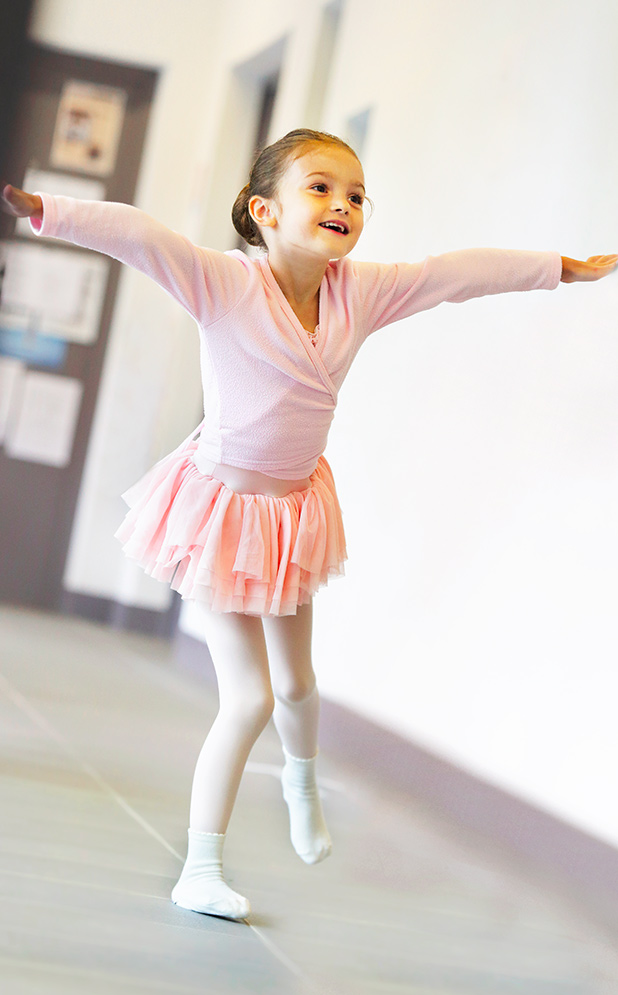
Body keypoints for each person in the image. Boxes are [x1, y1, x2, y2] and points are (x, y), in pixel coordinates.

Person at [2, 128, 616, 922]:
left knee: (297, 684)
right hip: (221, 512)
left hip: (294, 512)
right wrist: (45, 210)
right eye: (322, 188)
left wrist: (560, 270)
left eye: (357, 196)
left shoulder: (361, 291)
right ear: (265, 210)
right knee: (251, 695)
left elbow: (452, 275)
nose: (343, 205)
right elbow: (140, 235)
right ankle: (202, 865)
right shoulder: (223, 282)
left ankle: (300, 786)